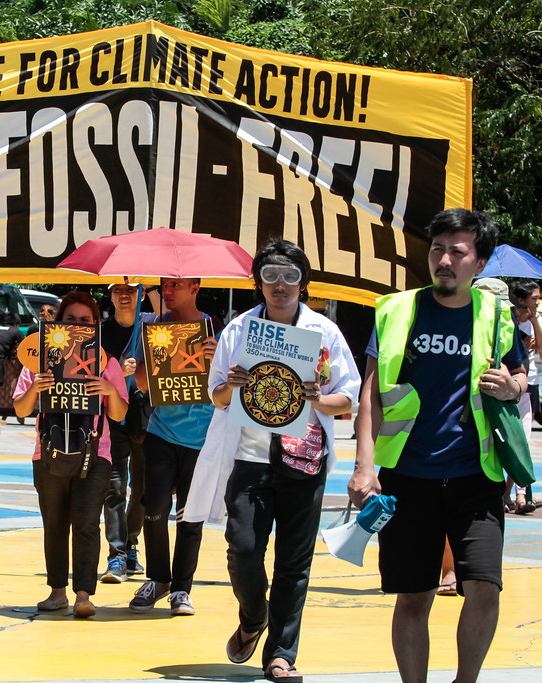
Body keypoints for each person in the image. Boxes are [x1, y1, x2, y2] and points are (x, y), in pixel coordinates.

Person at [349, 209, 528, 683]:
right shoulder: (396, 310)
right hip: (408, 478)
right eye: (436, 249)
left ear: (481, 262)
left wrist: (511, 388)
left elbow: (520, 377)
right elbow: (371, 390)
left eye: (457, 251)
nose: (443, 259)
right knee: (414, 596)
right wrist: (364, 466)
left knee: (484, 588)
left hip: (478, 477)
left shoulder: (497, 316)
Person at [193, 240, 361, 681]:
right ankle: (254, 616)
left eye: (290, 276)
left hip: (303, 460)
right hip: (248, 459)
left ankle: (281, 655)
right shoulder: (239, 330)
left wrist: (320, 400)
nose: (280, 286)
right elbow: (217, 395)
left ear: (304, 283)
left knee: (294, 562)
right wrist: (231, 384)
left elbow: (350, 395)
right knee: (243, 549)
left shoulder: (324, 333)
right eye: (270, 276)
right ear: (258, 283)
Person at [13, 292, 129, 618]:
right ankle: (57, 592)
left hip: (96, 453)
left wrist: (108, 391)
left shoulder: (107, 362)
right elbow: (21, 407)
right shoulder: (38, 360)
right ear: (59, 322)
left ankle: (83, 595)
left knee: (87, 523)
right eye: (71, 319)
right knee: (54, 522)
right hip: (47, 453)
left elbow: (119, 414)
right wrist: (36, 386)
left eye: (86, 321)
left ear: (96, 325)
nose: (78, 326)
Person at [128, 278, 217, 616]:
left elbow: (223, 384)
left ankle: (182, 588)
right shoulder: (151, 327)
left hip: (201, 439)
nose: (167, 290)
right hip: (161, 433)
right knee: (154, 508)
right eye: (165, 284)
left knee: (190, 517)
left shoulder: (211, 330)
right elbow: (138, 383)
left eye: (176, 285)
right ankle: (159, 579)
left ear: (195, 287)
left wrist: (213, 356)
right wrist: (154, 358)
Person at [99, 283, 156, 582]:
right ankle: (117, 555)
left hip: (148, 413)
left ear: (143, 294)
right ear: (110, 295)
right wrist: (115, 373)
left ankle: (131, 541)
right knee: (115, 486)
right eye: (118, 289)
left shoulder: (154, 323)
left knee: (143, 489)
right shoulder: (99, 332)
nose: (125, 294)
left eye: (132, 289)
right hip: (114, 414)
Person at [510, 278, 542, 513]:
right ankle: (511, 495)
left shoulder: (537, 321)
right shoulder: (508, 320)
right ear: (521, 300)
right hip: (513, 382)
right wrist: (520, 347)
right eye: (534, 299)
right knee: (509, 441)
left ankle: (519, 495)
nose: (538, 302)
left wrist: (534, 320)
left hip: (530, 384)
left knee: (524, 441)